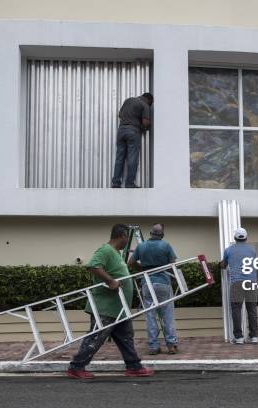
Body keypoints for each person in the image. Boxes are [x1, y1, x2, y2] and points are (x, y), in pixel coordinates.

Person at [67, 224, 154, 379]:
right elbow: (94, 266)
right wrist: (111, 281)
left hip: (119, 309)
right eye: (127, 237)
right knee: (96, 337)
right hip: (106, 307)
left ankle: (134, 366)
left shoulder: (116, 253)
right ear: (122, 236)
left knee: (126, 336)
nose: (127, 241)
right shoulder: (105, 250)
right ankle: (76, 367)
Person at [128, 223, 179, 355]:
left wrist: (144, 270)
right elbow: (173, 264)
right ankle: (171, 344)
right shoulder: (166, 245)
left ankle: (153, 346)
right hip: (163, 283)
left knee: (150, 316)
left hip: (147, 284)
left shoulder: (141, 246)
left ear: (150, 233)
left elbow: (131, 263)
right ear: (162, 235)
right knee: (168, 315)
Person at [220, 227, 258, 345]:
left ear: (235, 238)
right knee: (251, 310)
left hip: (237, 283)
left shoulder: (228, 250)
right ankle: (254, 336)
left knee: (236, 310)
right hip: (251, 283)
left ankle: (239, 338)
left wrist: (219, 264)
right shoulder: (253, 250)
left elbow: (223, 265)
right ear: (246, 238)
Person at [111, 92, 153, 188]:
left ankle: (116, 183)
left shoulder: (128, 100)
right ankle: (129, 183)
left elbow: (120, 115)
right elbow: (145, 122)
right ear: (148, 100)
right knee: (132, 158)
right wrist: (146, 126)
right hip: (133, 132)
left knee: (119, 158)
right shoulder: (145, 105)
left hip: (121, 131)